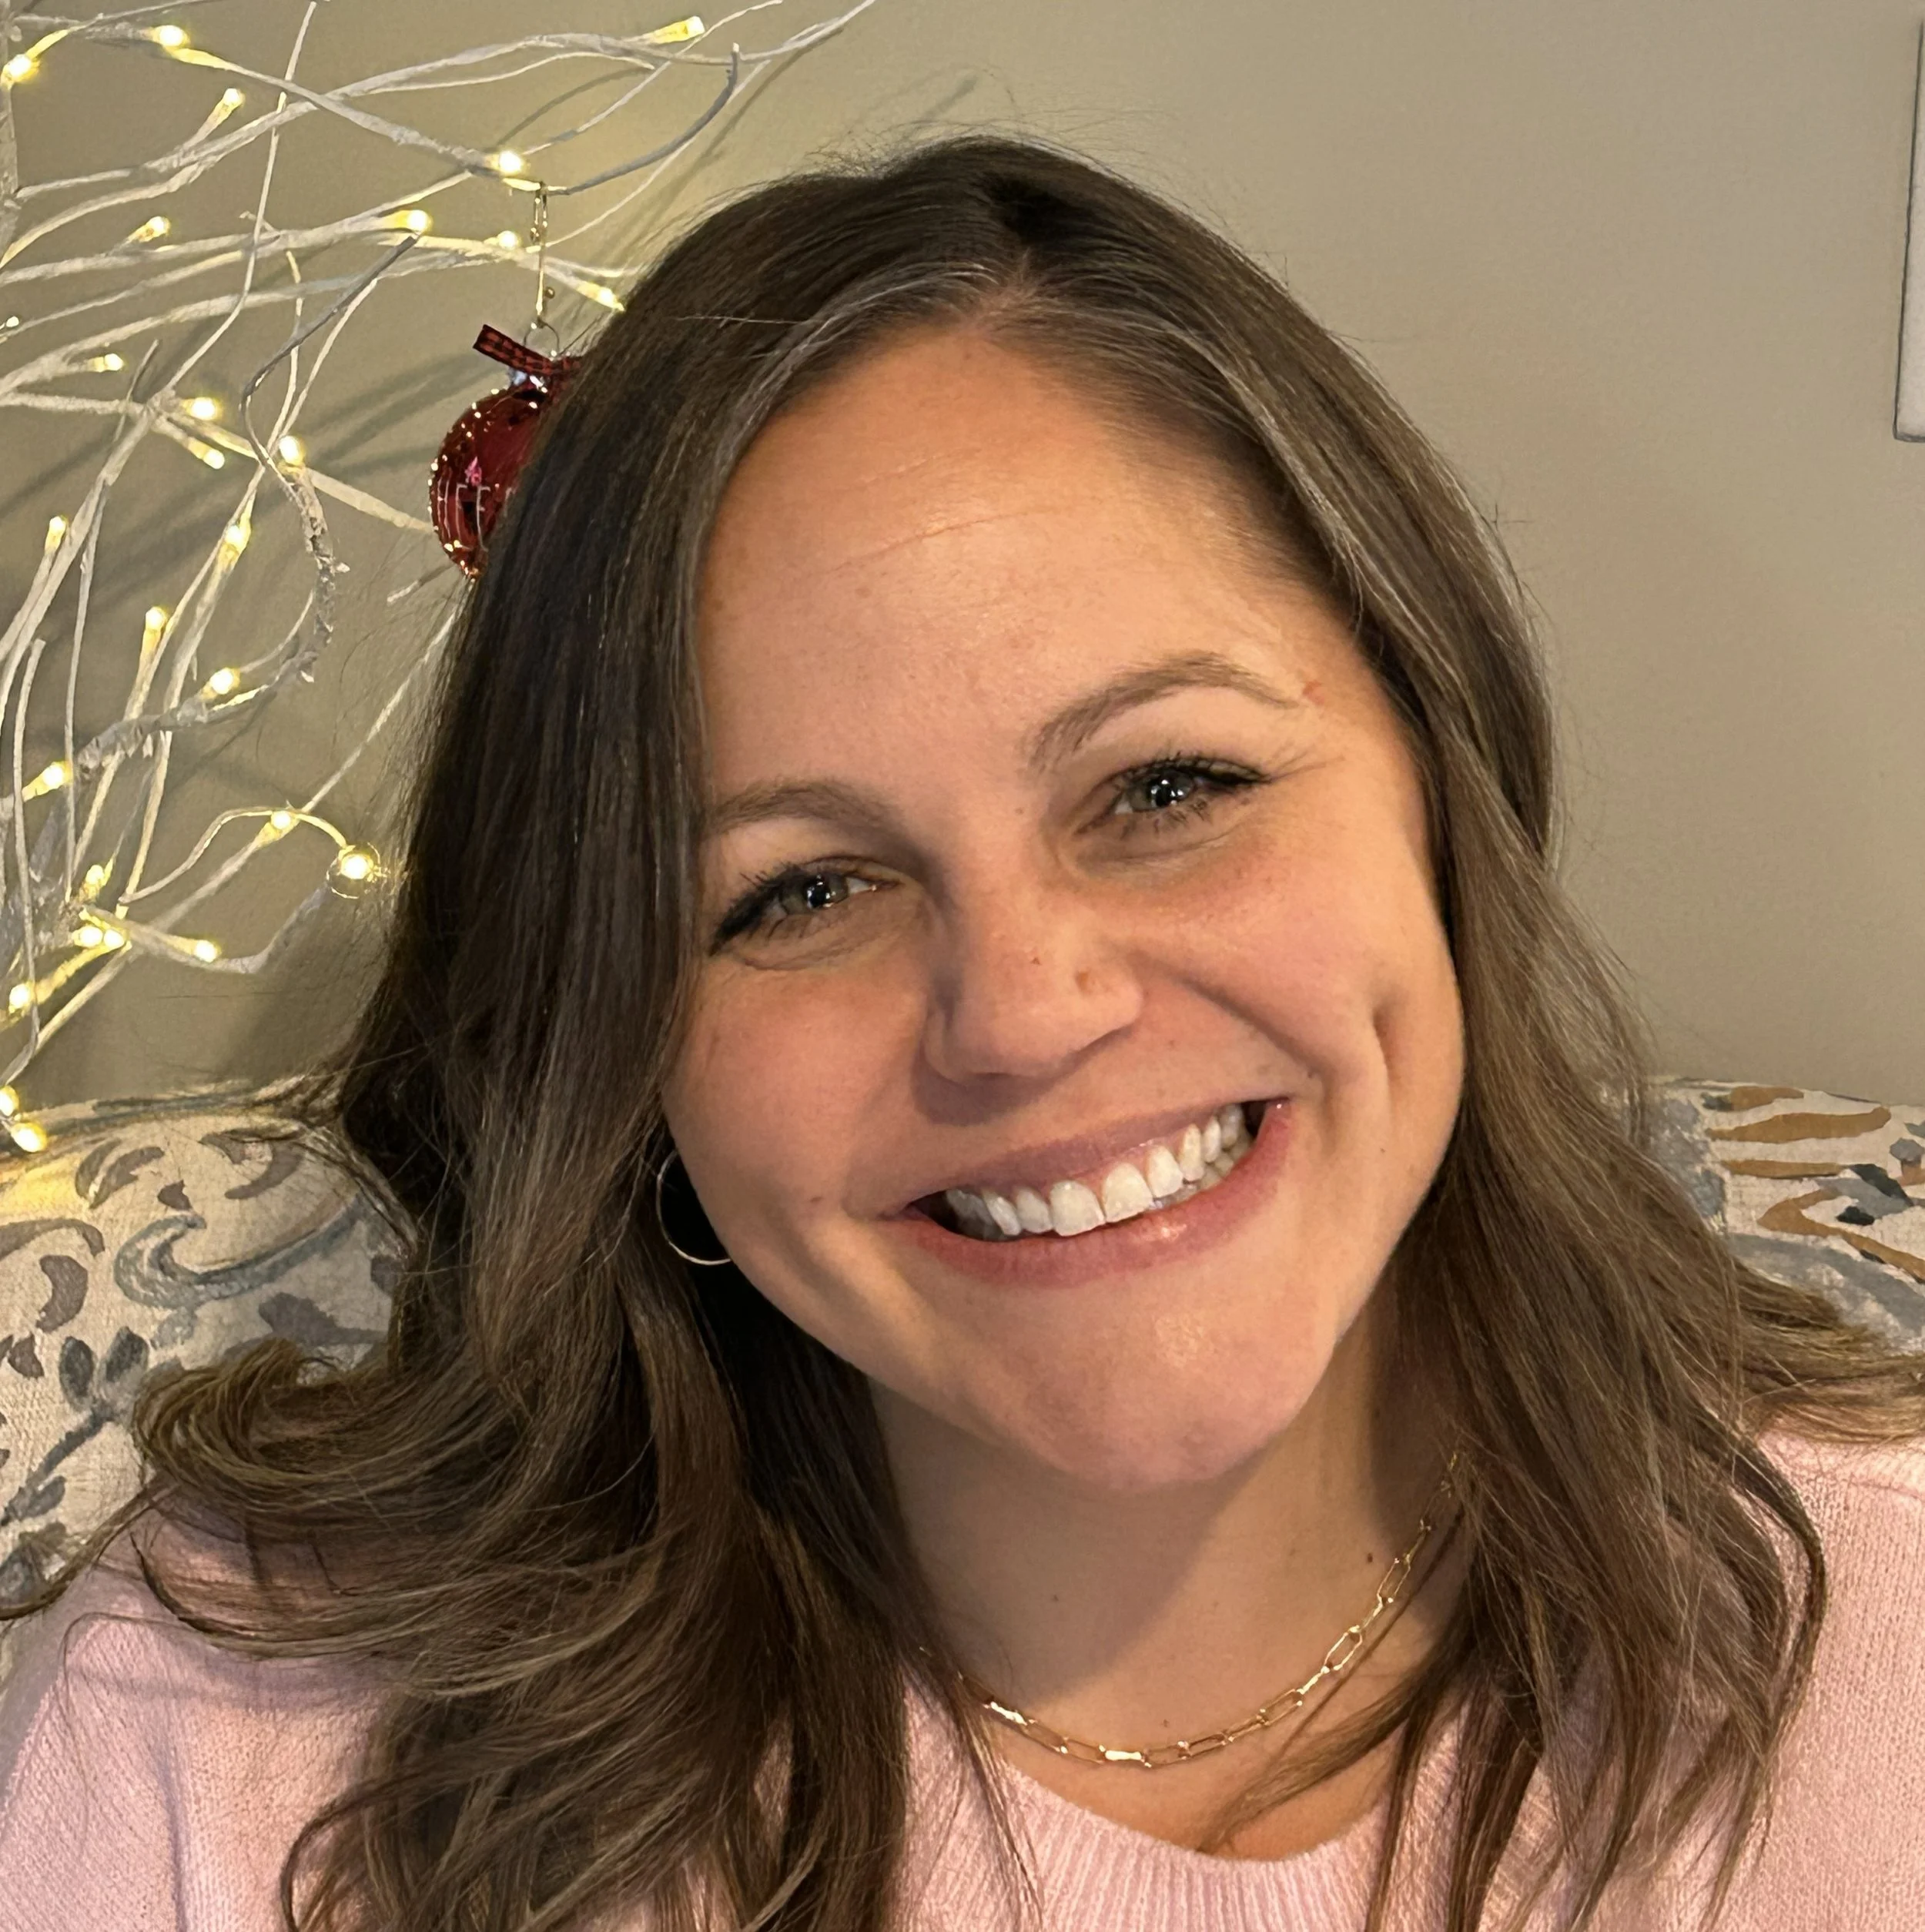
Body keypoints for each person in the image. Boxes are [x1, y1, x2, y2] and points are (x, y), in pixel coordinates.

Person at [1, 134, 1921, 1932]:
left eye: (1166, 786)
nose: (1021, 1013)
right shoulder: (237, 1744)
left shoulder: (1882, 1626)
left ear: (1442, 788)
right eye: (794, 892)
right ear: (623, 1048)